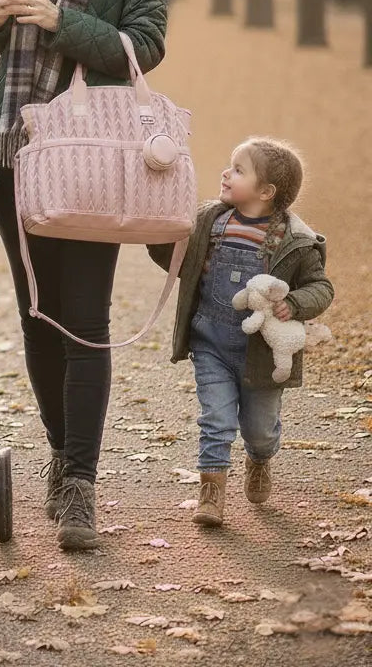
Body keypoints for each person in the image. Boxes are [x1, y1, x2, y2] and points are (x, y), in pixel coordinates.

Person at [0, 0, 169, 551]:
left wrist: (57, 20)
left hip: (90, 159)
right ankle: (60, 457)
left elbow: (144, 44)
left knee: (84, 322)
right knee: (36, 320)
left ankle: (80, 484)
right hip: (13, 156)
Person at [149, 138, 334, 528]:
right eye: (230, 165)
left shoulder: (295, 241)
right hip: (210, 341)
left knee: (259, 430)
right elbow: (176, 260)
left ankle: (261, 458)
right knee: (215, 417)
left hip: (262, 353)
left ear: (266, 192)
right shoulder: (209, 222)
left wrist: (296, 303)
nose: (226, 173)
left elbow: (322, 288)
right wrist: (156, 231)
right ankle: (211, 491)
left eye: (238, 169)